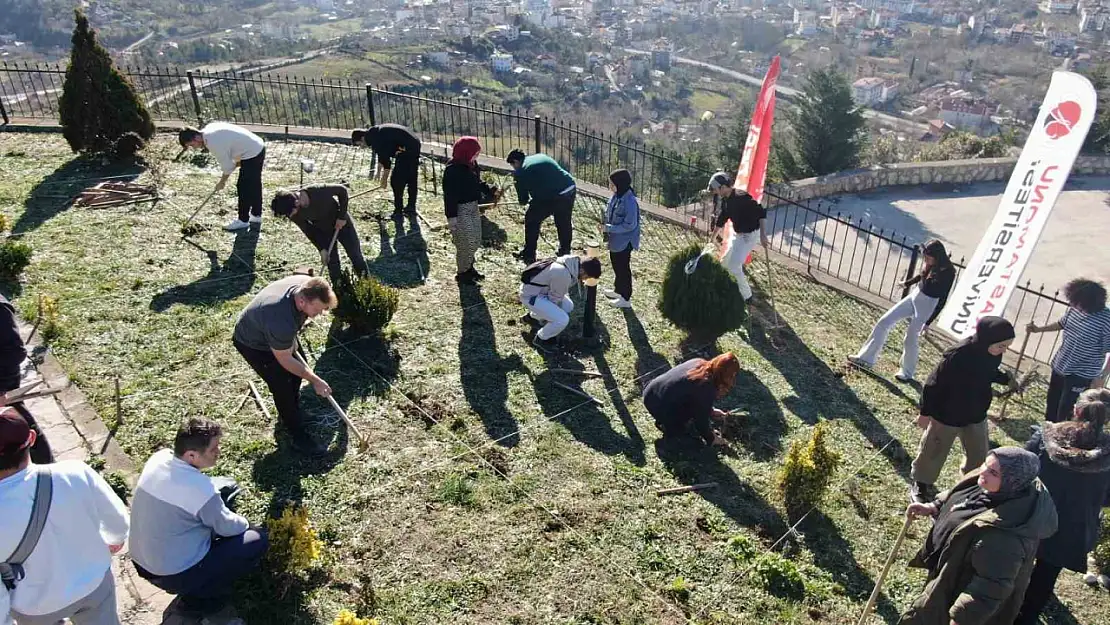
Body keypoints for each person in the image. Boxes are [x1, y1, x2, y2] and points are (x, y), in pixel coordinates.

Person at [898, 447, 1058, 625]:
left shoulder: (1006, 537)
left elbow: (990, 588)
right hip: (948, 574)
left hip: (956, 597)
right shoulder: (989, 484)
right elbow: (960, 494)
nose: (983, 471)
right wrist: (935, 505)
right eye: (985, 464)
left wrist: (961, 619)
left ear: (1011, 482)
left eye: (993, 472)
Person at [130, 418, 269, 622]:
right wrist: (248, 524)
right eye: (213, 448)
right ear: (192, 455)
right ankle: (200, 597)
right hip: (173, 574)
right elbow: (230, 527)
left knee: (221, 491)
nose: (218, 451)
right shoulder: (200, 491)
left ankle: (196, 585)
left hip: (141, 561)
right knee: (256, 539)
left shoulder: (159, 459)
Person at [0, 408, 129, 625]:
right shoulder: (75, 472)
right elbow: (117, 520)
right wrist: (114, 539)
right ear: (32, 438)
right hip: (93, 583)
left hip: (35, 606)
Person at [1014, 389, 1110, 624]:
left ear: (1076, 410)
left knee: (1014, 566)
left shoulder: (1047, 437)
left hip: (1031, 514)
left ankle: (1003, 607)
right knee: (1045, 577)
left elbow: (1020, 472)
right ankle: (1025, 618)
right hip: (1071, 528)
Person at [909, 316, 1017, 504]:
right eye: (1001, 346)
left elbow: (987, 373)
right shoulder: (957, 355)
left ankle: (970, 485)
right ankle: (921, 483)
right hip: (947, 414)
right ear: (986, 340)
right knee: (934, 450)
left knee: (979, 454)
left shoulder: (992, 354)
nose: (1003, 351)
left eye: (1006, 347)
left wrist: (1005, 379)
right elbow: (933, 384)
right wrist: (925, 413)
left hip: (976, 414)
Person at [232, 275, 336, 455]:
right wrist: (315, 380)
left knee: (297, 374)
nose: (320, 315)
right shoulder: (280, 319)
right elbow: (285, 359)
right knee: (283, 385)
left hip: (276, 334)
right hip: (254, 343)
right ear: (302, 301)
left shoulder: (305, 284)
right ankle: (297, 436)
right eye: (318, 310)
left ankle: (292, 410)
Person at [848, 239, 956, 383]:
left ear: (938, 256)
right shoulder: (930, 264)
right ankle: (865, 358)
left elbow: (943, 298)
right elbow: (922, 277)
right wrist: (907, 283)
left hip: (928, 304)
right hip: (915, 296)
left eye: (928, 257)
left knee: (910, 338)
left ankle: (907, 372)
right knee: (884, 322)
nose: (925, 260)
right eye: (925, 257)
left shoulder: (948, 271)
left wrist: (928, 322)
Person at [1026, 278, 1110, 422]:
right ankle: (1046, 430)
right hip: (1060, 365)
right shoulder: (1075, 309)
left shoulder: (1106, 320)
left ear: (1088, 303)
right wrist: (1039, 330)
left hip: (1081, 373)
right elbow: (1062, 323)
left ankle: (1060, 436)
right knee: (1052, 403)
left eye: (1075, 302)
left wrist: (1101, 376)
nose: (1072, 304)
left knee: (1066, 410)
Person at [271, 184, 368, 283]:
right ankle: (339, 290)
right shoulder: (293, 213)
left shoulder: (316, 191)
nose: (291, 216)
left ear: (296, 202)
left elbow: (342, 190)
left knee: (355, 255)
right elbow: (308, 231)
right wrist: (321, 249)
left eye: (290, 213)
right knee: (332, 262)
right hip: (324, 231)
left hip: (342, 224)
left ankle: (367, 284)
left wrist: (341, 217)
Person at [178, 123, 266, 232]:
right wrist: (237, 163)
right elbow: (231, 156)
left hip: (252, 152)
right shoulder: (209, 130)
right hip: (257, 146)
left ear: (196, 137)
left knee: (243, 186)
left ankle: (243, 220)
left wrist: (222, 182)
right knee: (254, 183)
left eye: (192, 145)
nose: (194, 148)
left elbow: (228, 167)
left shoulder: (213, 143)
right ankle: (256, 216)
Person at [642, 354, 739, 447]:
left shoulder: (699, 362)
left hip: (651, 392)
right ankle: (669, 427)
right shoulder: (707, 385)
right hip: (658, 405)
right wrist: (712, 438)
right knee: (688, 433)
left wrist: (711, 411)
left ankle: (667, 420)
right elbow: (701, 420)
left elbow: (691, 394)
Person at [0, 294, 51, 464]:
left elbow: (14, 352)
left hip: (3, 386)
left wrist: (0, 391)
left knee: (18, 426)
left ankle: (46, 469)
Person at [442, 137, 497, 285]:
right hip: (460, 209)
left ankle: (469, 267)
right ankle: (462, 273)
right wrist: (451, 217)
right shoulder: (452, 170)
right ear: (465, 152)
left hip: (473, 206)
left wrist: (490, 189)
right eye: (475, 153)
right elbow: (449, 196)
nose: (476, 156)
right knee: (465, 241)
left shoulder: (471, 164)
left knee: (475, 238)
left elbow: (477, 182)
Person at [707, 172, 768, 303]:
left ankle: (747, 297)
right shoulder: (726, 201)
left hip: (749, 236)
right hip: (739, 235)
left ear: (723, 187)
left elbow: (761, 212)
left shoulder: (741, 197)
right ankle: (727, 288)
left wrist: (763, 235)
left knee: (734, 266)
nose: (715, 192)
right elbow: (721, 219)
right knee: (724, 264)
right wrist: (712, 238)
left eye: (716, 189)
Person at [506, 149, 577, 264]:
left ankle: (529, 254)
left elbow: (523, 200)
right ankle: (565, 252)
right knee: (563, 221)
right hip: (569, 187)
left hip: (553, 196)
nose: (514, 168)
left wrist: (525, 200)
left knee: (532, 219)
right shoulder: (540, 156)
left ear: (515, 161)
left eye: (513, 165)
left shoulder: (520, 172)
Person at [519, 254, 602, 348]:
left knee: (568, 306)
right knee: (562, 320)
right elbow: (554, 300)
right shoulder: (563, 274)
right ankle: (542, 338)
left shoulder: (571, 262)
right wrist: (551, 318)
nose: (585, 279)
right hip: (530, 296)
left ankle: (532, 318)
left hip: (540, 290)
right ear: (582, 270)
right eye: (586, 277)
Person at [351, 124, 421, 218]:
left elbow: (386, 164)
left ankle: (398, 210)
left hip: (408, 148)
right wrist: (378, 173)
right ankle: (411, 207)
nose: (361, 147)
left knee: (397, 180)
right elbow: (382, 156)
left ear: (362, 138)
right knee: (411, 175)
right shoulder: (375, 134)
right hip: (414, 143)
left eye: (360, 144)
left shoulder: (376, 140)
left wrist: (384, 181)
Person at [602, 169, 641, 309]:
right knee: (616, 265)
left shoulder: (630, 201)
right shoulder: (616, 196)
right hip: (615, 240)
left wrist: (609, 228)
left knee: (623, 268)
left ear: (620, 184)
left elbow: (630, 225)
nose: (610, 186)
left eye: (612, 184)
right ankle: (618, 291)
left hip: (625, 242)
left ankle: (626, 298)